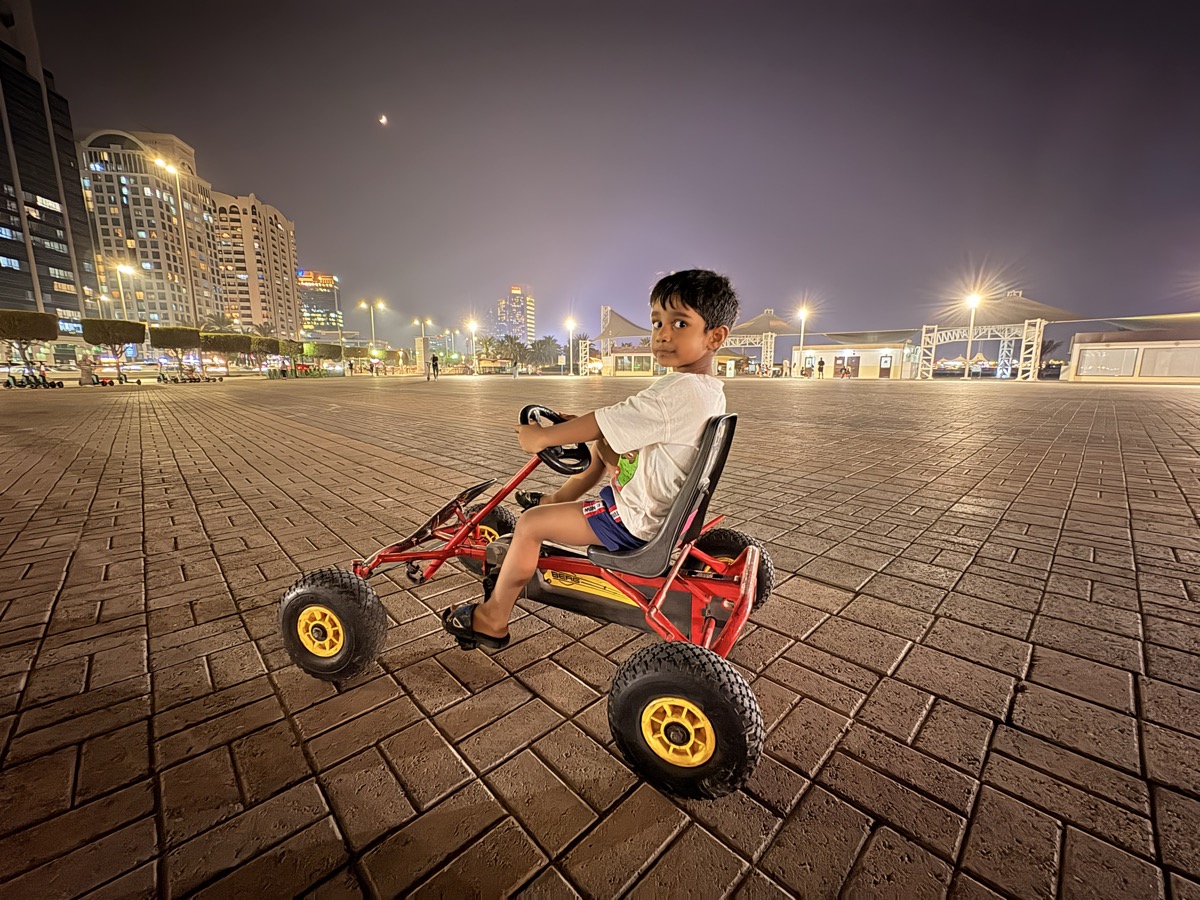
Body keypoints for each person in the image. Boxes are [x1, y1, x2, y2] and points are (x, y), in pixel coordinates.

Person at [442, 269, 738, 650]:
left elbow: (604, 419)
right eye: (656, 322)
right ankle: (554, 503)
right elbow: (614, 421)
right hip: (667, 508)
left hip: (634, 521)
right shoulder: (706, 390)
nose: (663, 334)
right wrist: (578, 426)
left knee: (530, 525)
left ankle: (492, 618)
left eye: (679, 323)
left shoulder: (676, 391)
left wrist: (544, 437)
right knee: (601, 447)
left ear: (715, 336)